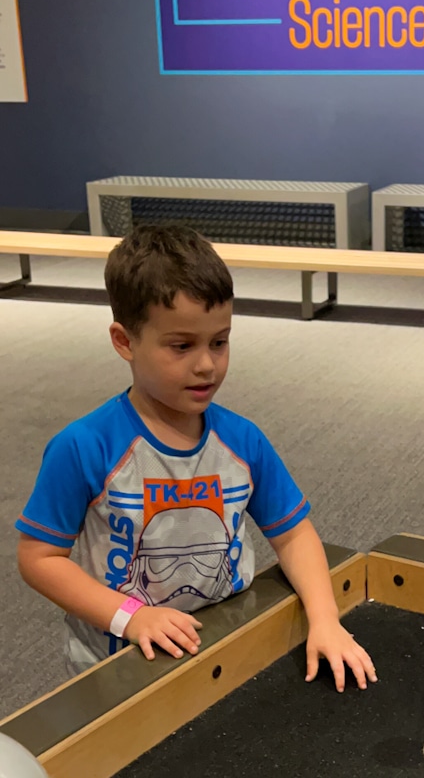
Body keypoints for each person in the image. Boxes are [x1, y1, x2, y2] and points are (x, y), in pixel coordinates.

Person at [16, 224, 376, 693]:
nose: (207, 364)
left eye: (219, 342)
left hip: (227, 644)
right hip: (120, 665)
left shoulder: (242, 440)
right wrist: (131, 617)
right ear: (125, 342)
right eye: (182, 346)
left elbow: (292, 534)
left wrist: (325, 619)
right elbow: (39, 558)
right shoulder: (84, 446)